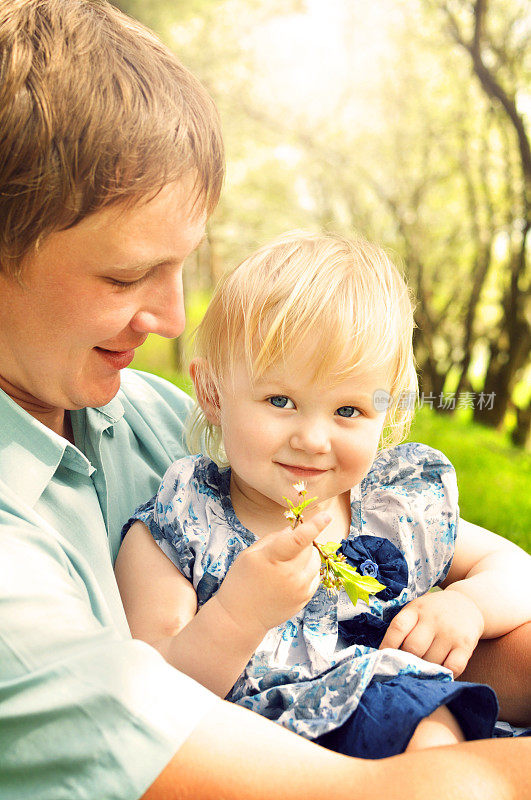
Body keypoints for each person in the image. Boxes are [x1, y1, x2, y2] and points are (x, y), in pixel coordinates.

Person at [0, 1, 529, 799]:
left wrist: (460, 616)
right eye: (123, 276)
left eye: (182, 266)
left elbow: (474, 606)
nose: (175, 322)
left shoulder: (134, 407)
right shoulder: (155, 522)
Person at [116, 232, 531, 758]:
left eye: (348, 411)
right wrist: (237, 615)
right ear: (213, 394)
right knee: (418, 725)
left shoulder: (389, 507)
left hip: (423, 695)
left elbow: (515, 569)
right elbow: (153, 691)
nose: (313, 439)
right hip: (293, 747)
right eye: (281, 399)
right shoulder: (187, 522)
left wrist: (468, 605)